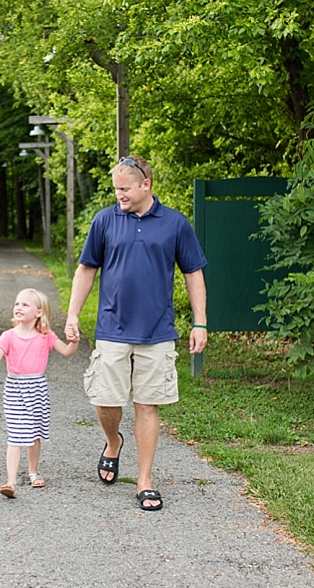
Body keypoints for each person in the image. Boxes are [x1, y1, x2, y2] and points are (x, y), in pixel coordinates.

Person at [63, 156, 209, 512]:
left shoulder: (175, 223)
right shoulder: (104, 220)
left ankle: (145, 481)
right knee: (106, 399)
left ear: (146, 185)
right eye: (115, 189)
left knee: (147, 404)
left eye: (124, 189)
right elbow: (86, 269)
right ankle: (113, 442)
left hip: (157, 331)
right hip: (112, 328)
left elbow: (193, 273)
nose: (119, 195)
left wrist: (200, 321)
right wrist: (72, 314)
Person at [0, 288, 78, 498]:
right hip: (15, 389)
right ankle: (10, 481)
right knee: (16, 434)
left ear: (39, 312)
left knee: (35, 433)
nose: (19, 307)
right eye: (17, 303)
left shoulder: (46, 336)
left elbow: (66, 351)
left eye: (25, 304)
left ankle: (33, 471)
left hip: (37, 389)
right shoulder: (8, 336)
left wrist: (74, 341)